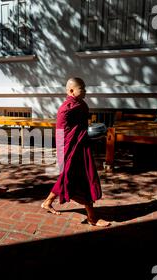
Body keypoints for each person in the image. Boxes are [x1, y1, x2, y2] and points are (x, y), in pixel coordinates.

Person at [41, 77, 110, 227]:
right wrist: (63, 154)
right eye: (82, 88)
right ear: (72, 91)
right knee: (82, 179)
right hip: (70, 148)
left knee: (68, 177)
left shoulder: (81, 104)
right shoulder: (66, 108)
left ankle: (47, 202)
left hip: (81, 146)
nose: (85, 91)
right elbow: (61, 132)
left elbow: (81, 125)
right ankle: (92, 217)